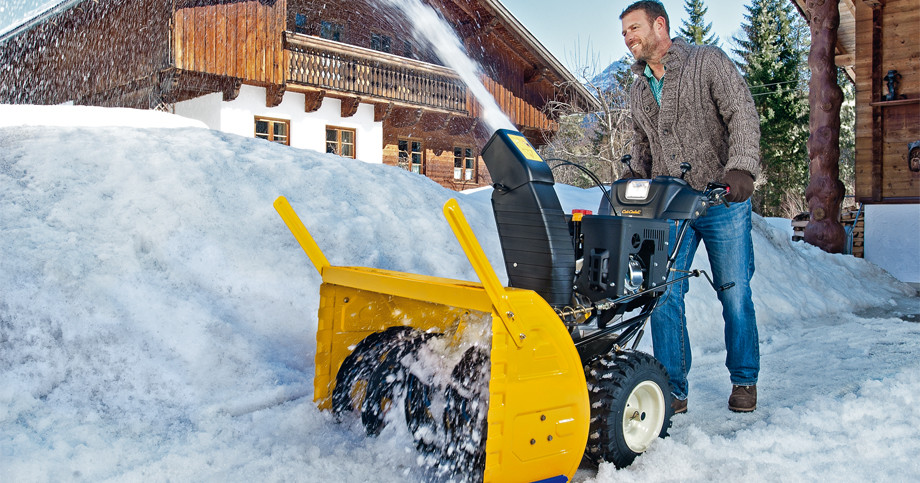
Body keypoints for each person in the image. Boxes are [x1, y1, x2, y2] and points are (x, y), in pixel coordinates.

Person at [618, 1, 762, 413]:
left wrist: (741, 168)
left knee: (734, 292)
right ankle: (672, 387)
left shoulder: (707, 62)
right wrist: (632, 174)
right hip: (671, 204)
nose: (628, 38)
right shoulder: (638, 87)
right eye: (624, 32)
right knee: (663, 292)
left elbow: (742, 114)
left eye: (634, 28)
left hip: (723, 199)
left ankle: (744, 379)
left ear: (659, 25)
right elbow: (640, 144)